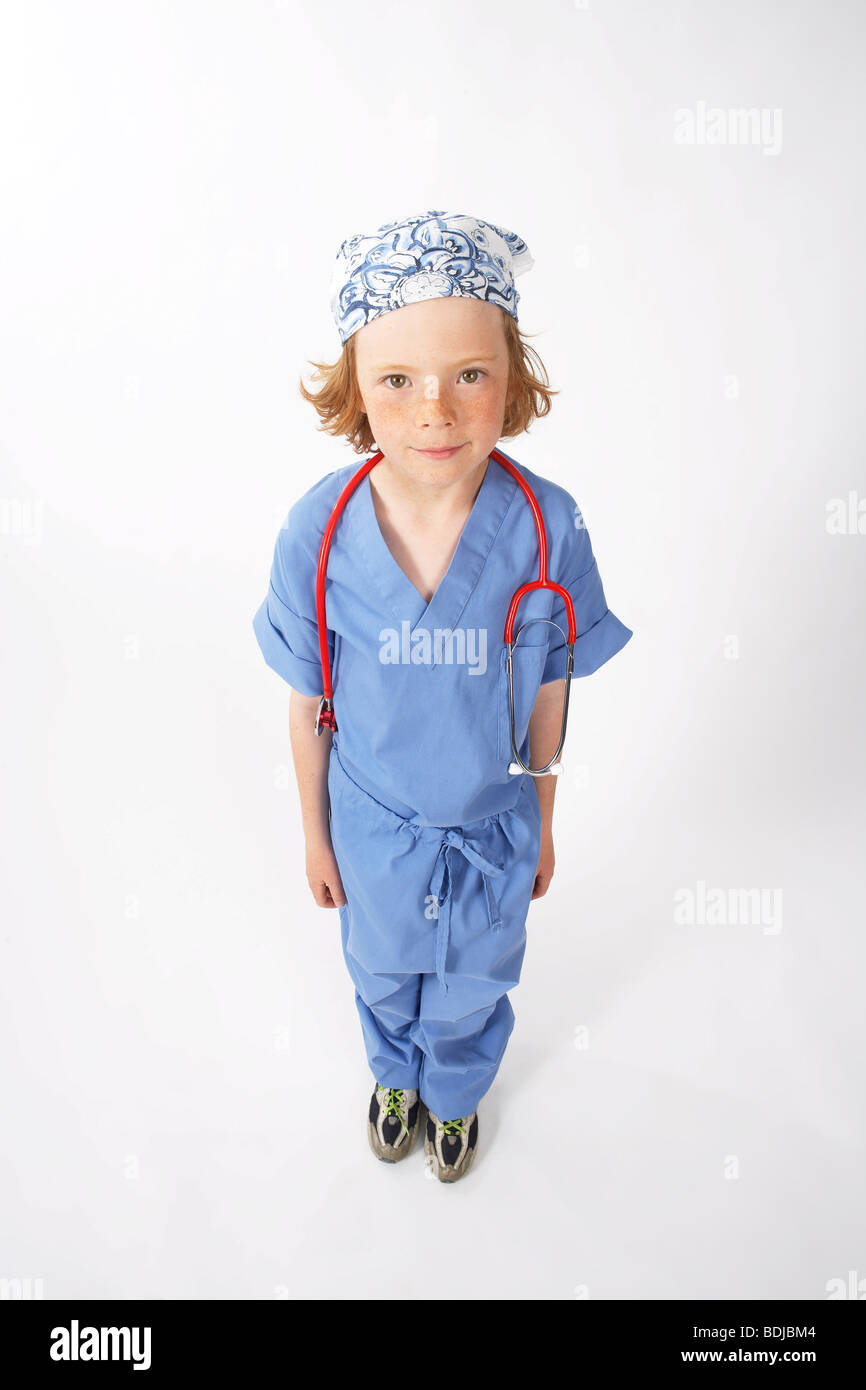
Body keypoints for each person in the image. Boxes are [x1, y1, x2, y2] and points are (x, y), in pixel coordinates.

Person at [253, 210, 632, 1183]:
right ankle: (394, 1076)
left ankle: (454, 1096)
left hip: (491, 826)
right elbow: (307, 702)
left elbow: (547, 692)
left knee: (472, 982)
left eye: (469, 374)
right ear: (355, 392)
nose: (435, 410)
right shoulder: (319, 530)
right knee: (379, 970)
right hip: (371, 827)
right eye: (397, 380)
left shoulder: (546, 529)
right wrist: (314, 833)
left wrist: (542, 819)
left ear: (511, 379)